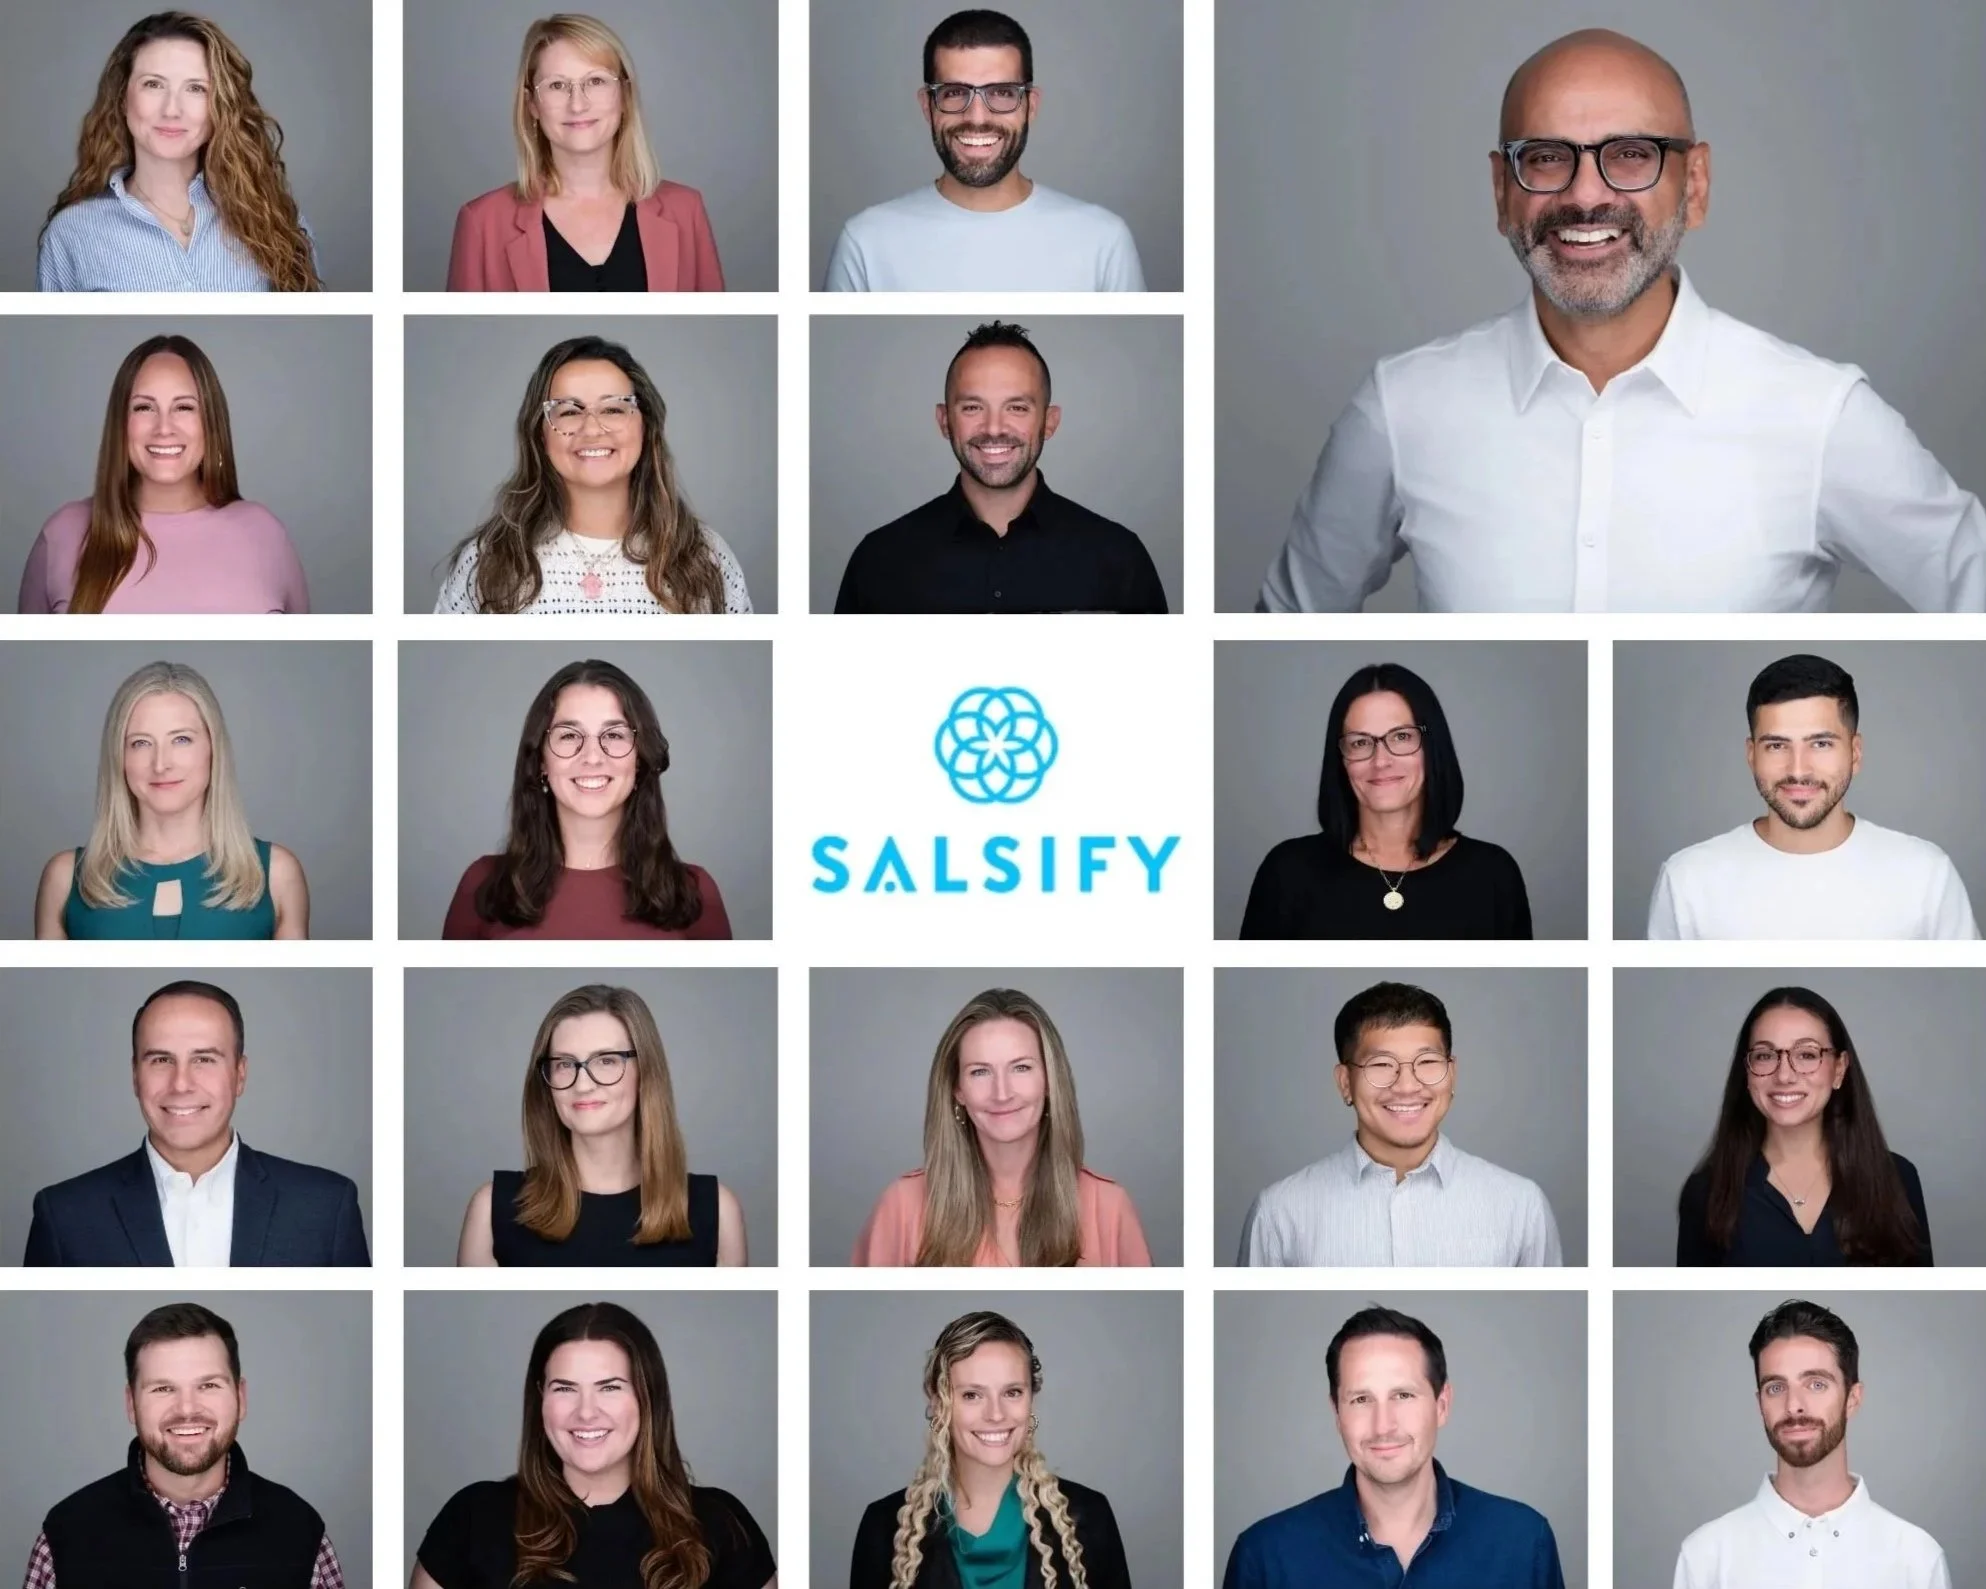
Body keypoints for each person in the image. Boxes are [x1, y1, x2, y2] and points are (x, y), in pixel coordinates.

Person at [1257, 28, 1984, 614]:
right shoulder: (1400, 410)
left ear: (1694, 186)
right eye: (1545, 158)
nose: (1584, 196)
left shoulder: (1821, 417)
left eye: (1631, 155)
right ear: (1502, 192)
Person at [412, 1300, 775, 1589]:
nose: (586, 1412)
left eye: (610, 1387)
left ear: (647, 1398)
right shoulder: (473, 1518)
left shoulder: (721, 1524)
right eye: (564, 1388)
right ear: (541, 1398)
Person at [24, 980, 369, 1266]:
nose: (181, 1084)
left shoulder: (327, 1206)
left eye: (204, 1059)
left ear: (240, 1075)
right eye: (161, 1060)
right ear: (135, 1076)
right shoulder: (64, 1216)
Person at [833, 321, 1168, 613]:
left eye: (1017, 408)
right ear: (944, 421)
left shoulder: (1119, 558)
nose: (994, 428)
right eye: (972, 407)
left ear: (1050, 422)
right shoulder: (878, 559)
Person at [1223, 1305, 1566, 1587]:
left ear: (1442, 1405)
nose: (1383, 1426)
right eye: (1361, 1399)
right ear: (1337, 1413)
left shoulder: (1524, 1542)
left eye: (1403, 1395)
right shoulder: (1264, 1558)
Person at [1647, 654, 1978, 939]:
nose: (1798, 769)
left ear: (1855, 753)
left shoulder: (1926, 875)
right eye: (1777, 745)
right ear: (1751, 755)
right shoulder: (1688, 880)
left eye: (1821, 744)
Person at [1238, 981, 1561, 1266]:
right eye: (1381, 1064)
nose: (1407, 1086)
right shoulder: (1279, 1213)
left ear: (1452, 1074)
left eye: (1428, 1061)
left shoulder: (1521, 1206)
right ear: (1345, 1082)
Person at [21, 1302, 344, 1585]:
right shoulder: (66, 1533)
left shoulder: (300, 1531)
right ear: (131, 1404)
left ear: (240, 1397)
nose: (187, 1409)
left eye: (208, 1385)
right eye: (163, 1389)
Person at [823, 10, 1145, 291]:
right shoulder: (865, 242)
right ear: (927, 106)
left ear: (1031, 106)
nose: (977, 118)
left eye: (1002, 93)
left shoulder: (1103, 241)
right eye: (954, 93)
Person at [435, 335, 749, 613]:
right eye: (569, 411)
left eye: (613, 409)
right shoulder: (486, 560)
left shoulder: (705, 556)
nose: (592, 429)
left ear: (646, 426)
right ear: (540, 434)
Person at [853, 987, 1151, 1266]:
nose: (1002, 1093)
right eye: (980, 1072)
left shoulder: (1109, 1208)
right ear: (957, 1089)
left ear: (1050, 1081)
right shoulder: (901, 1206)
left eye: (1021, 1068)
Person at [455, 983, 746, 1266]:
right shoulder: (491, 1210)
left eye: (606, 1061)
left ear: (646, 1072)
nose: (582, 1085)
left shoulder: (718, 1211)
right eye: (565, 1064)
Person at [440, 658, 732, 939]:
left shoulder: (695, 893)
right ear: (541, 760)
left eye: (614, 735)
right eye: (569, 736)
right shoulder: (482, 886)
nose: (592, 757)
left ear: (640, 758)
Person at [1239, 662, 1532, 939]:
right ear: (1341, 760)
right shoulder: (1287, 872)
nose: (1381, 761)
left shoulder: (1493, 875)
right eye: (1360, 742)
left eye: (1401, 737)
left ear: (1433, 748)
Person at [20, 334, 308, 613]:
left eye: (184, 407)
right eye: (144, 407)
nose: (164, 428)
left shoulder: (266, 534)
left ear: (211, 423)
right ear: (121, 423)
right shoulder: (61, 535)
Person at [1673, 1299, 1950, 1587]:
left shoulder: (1916, 1559)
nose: (1794, 1405)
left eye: (1817, 1384)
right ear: (1760, 1404)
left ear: (1852, 1399)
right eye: (1776, 1388)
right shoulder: (1705, 1558)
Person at [849, 1310, 1132, 1588]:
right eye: (972, 1395)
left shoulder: (1087, 1515)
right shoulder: (884, 1526)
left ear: (1031, 1399)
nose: (996, 1414)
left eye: (1012, 1392)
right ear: (936, 1402)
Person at [39, 11, 320, 291]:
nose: (172, 110)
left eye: (196, 88)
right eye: (153, 84)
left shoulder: (277, 220)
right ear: (122, 98)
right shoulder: (71, 232)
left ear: (220, 104)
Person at [33, 660, 309, 940]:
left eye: (181, 740)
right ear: (119, 757)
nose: (161, 764)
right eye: (141, 743)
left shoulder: (277, 875)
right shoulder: (64, 879)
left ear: (213, 748)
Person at [446, 14, 723, 292]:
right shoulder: (482, 223)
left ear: (624, 96)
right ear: (532, 105)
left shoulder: (686, 210)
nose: (577, 105)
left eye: (596, 81)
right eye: (557, 85)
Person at [1676, 987, 1931, 1266]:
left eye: (1807, 1055)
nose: (1784, 1075)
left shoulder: (1898, 1179)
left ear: (1839, 1069)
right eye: (1765, 1055)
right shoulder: (1705, 1192)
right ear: (1747, 1071)